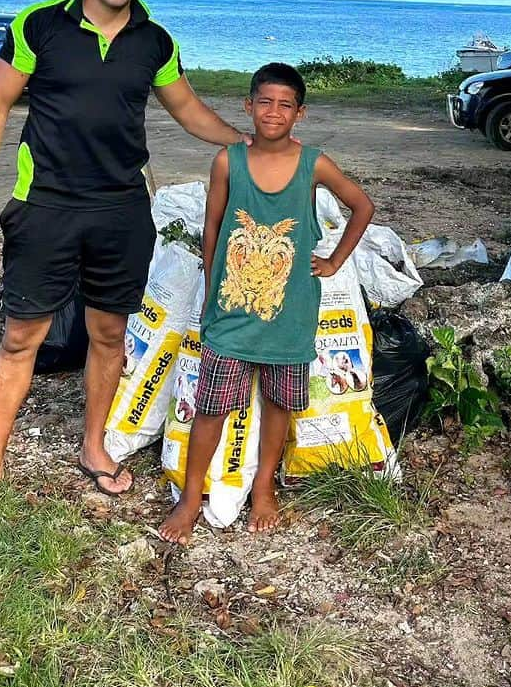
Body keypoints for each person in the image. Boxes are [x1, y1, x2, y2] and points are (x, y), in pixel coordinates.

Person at [0, 0, 250, 504]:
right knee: (20, 335)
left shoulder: (154, 40)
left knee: (109, 334)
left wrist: (247, 142)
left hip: (122, 210)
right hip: (46, 206)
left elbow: (187, 110)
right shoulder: (40, 26)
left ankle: (93, 446)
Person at [159, 63, 374, 544]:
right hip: (231, 314)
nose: (273, 112)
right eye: (264, 102)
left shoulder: (313, 163)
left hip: (290, 316)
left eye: (285, 105)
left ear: (300, 113)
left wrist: (335, 261)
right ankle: (191, 498)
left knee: (279, 404)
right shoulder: (227, 161)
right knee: (211, 407)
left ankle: (263, 489)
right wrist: (213, 283)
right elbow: (212, 226)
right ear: (248, 106)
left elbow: (362, 206)